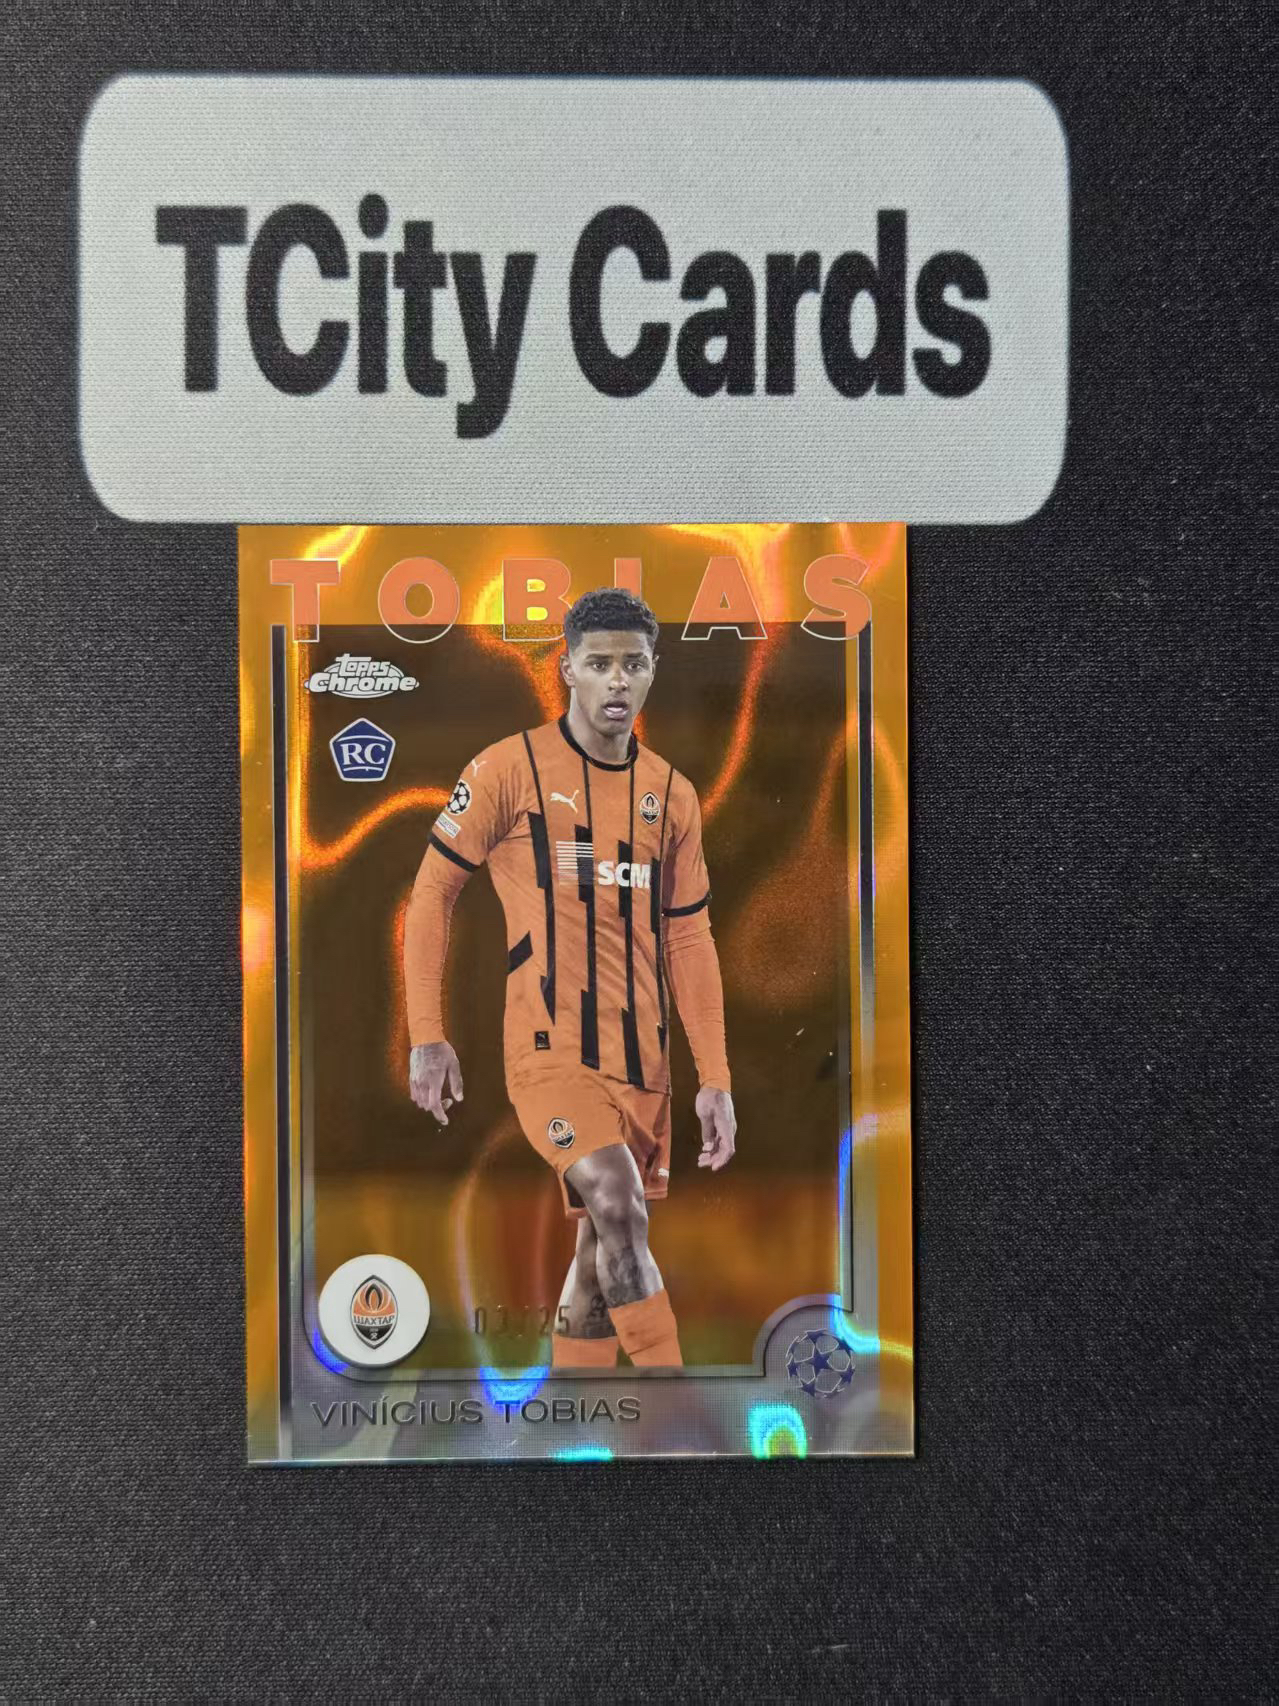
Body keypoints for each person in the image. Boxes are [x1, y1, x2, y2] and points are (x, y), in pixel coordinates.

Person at [403, 586, 736, 1369]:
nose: (617, 679)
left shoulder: (672, 796)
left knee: (597, 1252)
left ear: (653, 671)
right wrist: (426, 1034)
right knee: (618, 1206)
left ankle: (575, 1411)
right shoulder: (507, 769)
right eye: (599, 663)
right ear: (568, 670)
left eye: (633, 664)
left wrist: (714, 1078)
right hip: (547, 1053)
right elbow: (431, 893)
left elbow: (689, 937)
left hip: (642, 1061)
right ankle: (669, 1396)